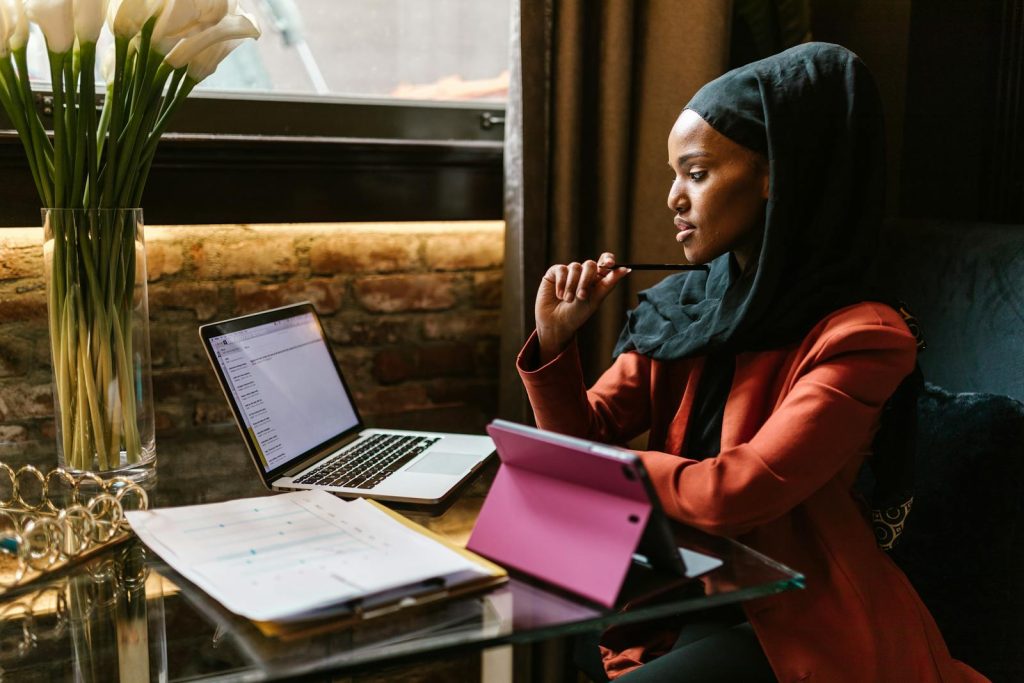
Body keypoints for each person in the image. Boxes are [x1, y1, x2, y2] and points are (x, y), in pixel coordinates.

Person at [516, 42, 988, 682]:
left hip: (800, 618)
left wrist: (597, 469)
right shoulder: (679, 309)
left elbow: (737, 495)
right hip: (674, 593)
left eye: (698, 173)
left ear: (777, 176)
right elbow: (581, 439)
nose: (673, 199)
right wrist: (554, 344)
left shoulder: (864, 336)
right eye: (672, 175)